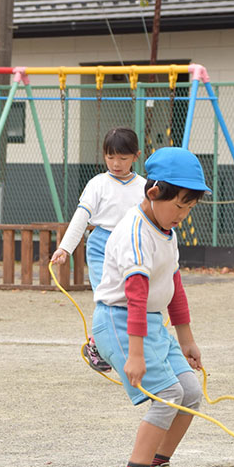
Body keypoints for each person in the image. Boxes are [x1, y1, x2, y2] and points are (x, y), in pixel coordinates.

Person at [92, 147, 208, 467]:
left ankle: (158, 465)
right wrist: (136, 354)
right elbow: (137, 296)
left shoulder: (165, 229)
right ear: (154, 193)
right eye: (179, 207)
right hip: (121, 321)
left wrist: (186, 338)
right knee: (168, 395)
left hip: (152, 323)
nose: (183, 216)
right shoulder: (135, 232)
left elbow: (173, 284)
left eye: (190, 209)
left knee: (189, 393)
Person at [51, 127, 144, 372]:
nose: (116, 163)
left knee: (132, 296)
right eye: (110, 157)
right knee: (106, 297)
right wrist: (65, 248)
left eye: (123, 158)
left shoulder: (143, 187)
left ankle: (121, 344)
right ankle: (96, 344)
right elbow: (82, 216)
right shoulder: (98, 184)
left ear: (136, 156)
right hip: (101, 244)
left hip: (131, 245)